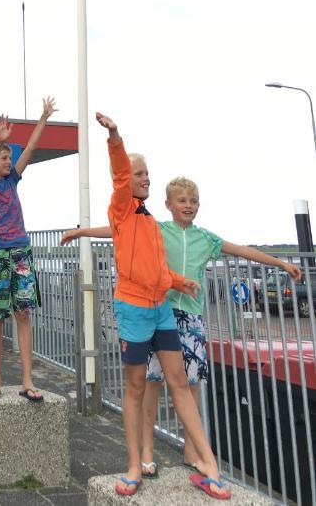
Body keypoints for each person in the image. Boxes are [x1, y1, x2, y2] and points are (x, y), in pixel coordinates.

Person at [61, 175, 302, 480]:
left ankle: (192, 449)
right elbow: (118, 230)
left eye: (194, 201)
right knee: (152, 382)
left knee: (190, 385)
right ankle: (146, 451)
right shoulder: (158, 230)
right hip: (157, 311)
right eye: (183, 201)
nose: (189, 206)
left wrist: (280, 264)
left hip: (190, 317)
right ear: (169, 205)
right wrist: (82, 231)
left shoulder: (206, 238)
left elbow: (241, 250)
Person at [62, 114, 230, 499]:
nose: (145, 179)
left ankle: (208, 464)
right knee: (136, 387)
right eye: (140, 174)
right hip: (133, 312)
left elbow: (155, 268)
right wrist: (115, 137)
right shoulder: (121, 208)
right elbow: (121, 174)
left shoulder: (151, 221)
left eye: (147, 174)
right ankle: (135, 466)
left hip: (161, 311)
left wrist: (177, 281)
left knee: (180, 384)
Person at [0, 96, 57, 403]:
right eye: (3, 158)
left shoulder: (12, 180)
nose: (8, 161)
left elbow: (32, 150)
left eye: (9, 157)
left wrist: (43, 118)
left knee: (23, 315)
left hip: (21, 252)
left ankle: (27, 379)